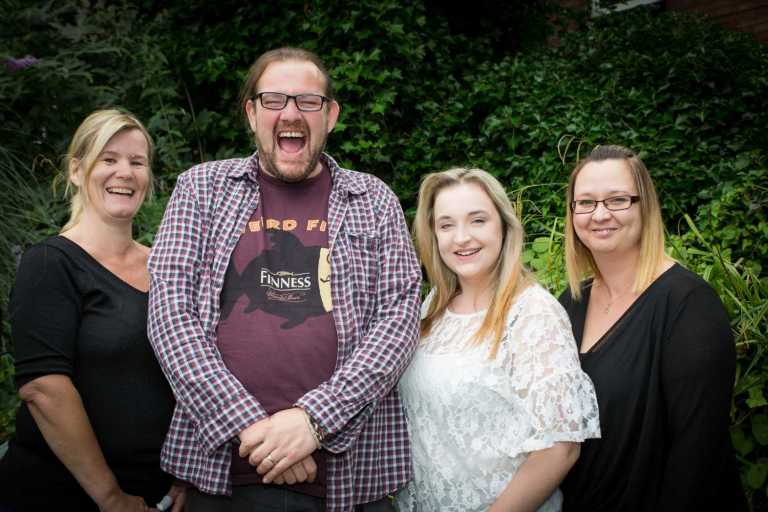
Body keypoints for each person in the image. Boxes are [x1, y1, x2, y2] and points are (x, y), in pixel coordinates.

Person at [147, 47, 421, 512]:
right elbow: (171, 317)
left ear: (330, 116)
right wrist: (254, 431)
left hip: (350, 479)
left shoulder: (373, 199)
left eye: (308, 101)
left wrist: (313, 422)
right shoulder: (201, 189)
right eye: (273, 100)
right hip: (224, 475)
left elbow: (398, 321)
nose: (290, 113)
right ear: (251, 113)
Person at [0, 109, 181, 511]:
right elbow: (44, 389)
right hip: (59, 496)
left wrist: (188, 475)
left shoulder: (166, 265)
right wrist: (110, 497)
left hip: (160, 495)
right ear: (76, 171)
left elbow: (193, 377)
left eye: (137, 162)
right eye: (108, 159)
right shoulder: (50, 264)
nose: (125, 172)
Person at [395, 168, 600, 512]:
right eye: (446, 225)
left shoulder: (533, 314)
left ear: (504, 226)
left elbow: (560, 447)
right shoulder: (431, 309)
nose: (461, 238)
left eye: (477, 220)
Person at [558, 144, 747, 511]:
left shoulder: (689, 305)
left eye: (617, 200)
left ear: (645, 207)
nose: (600, 214)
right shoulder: (570, 302)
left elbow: (697, 458)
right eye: (586, 202)